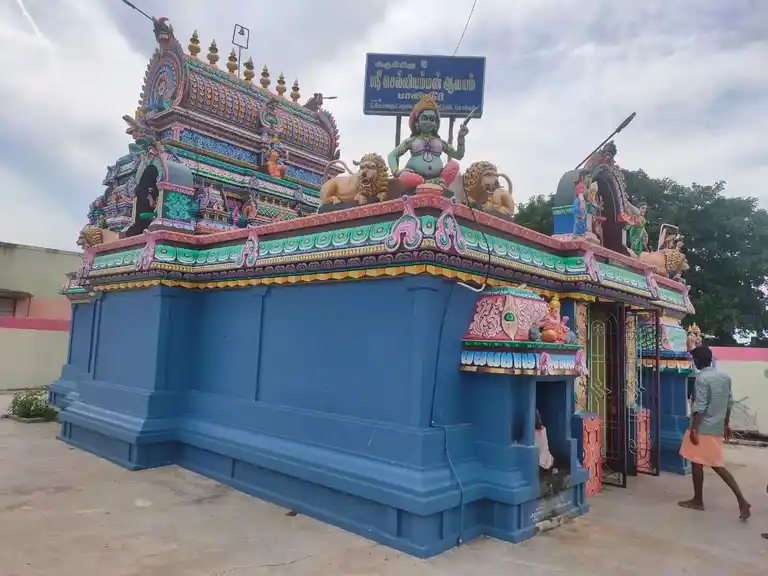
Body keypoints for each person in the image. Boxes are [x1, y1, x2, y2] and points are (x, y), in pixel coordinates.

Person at [678, 345, 751, 520]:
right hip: (716, 426)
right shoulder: (724, 377)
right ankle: (698, 499)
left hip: (702, 428)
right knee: (700, 463)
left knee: (714, 465)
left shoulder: (701, 379)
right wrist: (726, 424)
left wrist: (694, 429)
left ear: (696, 361)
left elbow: (700, 406)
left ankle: (738, 500)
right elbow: (729, 402)